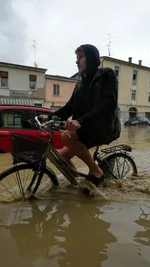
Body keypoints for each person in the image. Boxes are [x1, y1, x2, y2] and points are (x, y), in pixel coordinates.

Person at [41, 44, 121, 186]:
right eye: (76, 58)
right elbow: (69, 107)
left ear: (91, 58)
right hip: (87, 127)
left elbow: (109, 103)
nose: (77, 61)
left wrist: (81, 121)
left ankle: (95, 170)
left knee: (66, 136)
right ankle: (77, 183)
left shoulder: (106, 74)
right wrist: (50, 116)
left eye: (81, 57)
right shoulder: (80, 84)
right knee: (61, 157)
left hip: (104, 126)